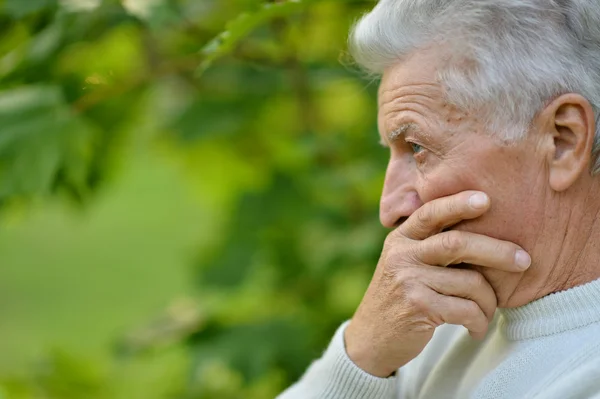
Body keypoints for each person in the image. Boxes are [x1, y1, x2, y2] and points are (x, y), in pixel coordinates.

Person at [277, 0, 600, 398]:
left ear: (562, 141)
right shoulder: (433, 322)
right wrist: (360, 358)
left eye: (416, 148)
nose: (389, 208)